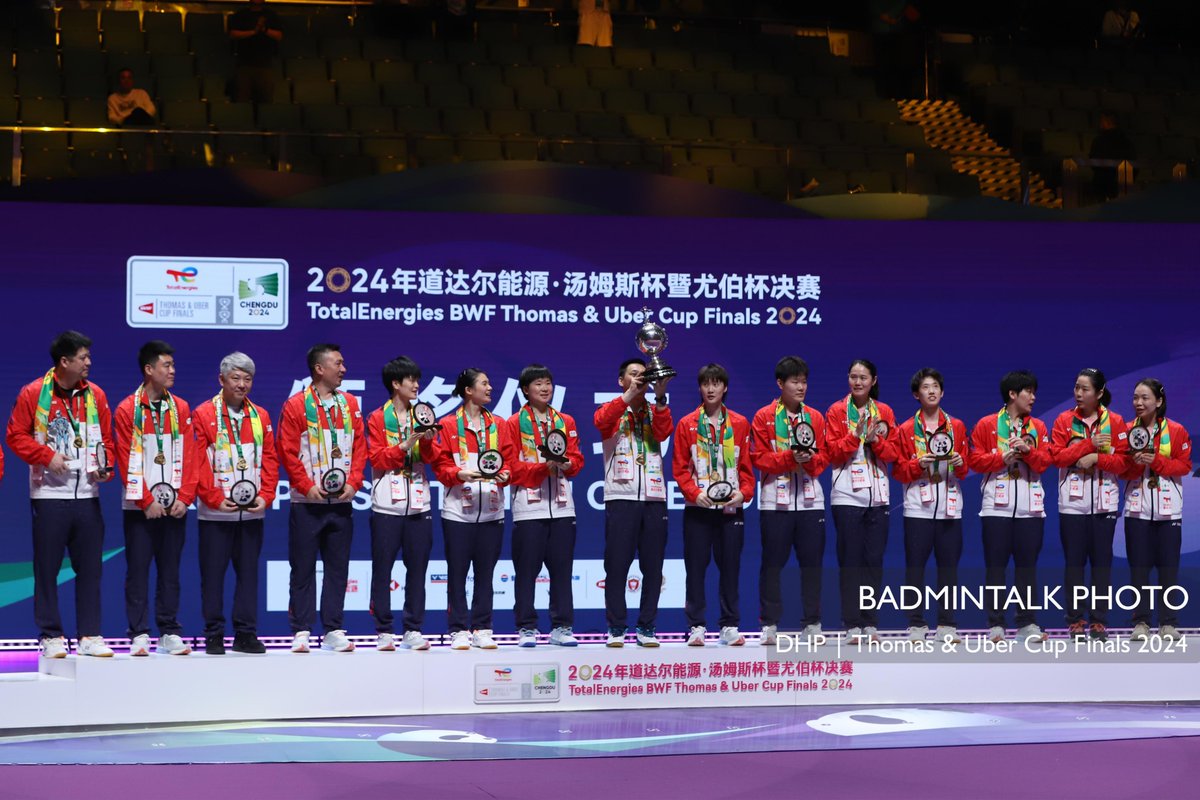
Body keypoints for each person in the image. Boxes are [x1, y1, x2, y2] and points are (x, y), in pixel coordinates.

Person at [6, 331, 116, 658]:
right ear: (64, 362)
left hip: (88, 495)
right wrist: (46, 456)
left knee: (90, 569)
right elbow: (15, 436)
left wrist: (105, 466)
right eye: (83, 358)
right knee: (47, 568)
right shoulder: (33, 393)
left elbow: (106, 441)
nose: (89, 363)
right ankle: (51, 635)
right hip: (48, 495)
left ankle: (89, 635)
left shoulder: (95, 394)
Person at [278, 344, 366, 654]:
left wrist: (355, 482)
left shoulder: (350, 404)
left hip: (341, 503)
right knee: (302, 568)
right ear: (319, 368)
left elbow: (360, 448)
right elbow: (287, 451)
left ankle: (333, 629)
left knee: (337, 568)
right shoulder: (296, 406)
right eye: (338, 364)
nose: (343, 369)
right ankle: (301, 629)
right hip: (307, 503)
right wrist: (304, 485)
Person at [114, 340, 198, 657]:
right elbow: (125, 458)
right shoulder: (127, 409)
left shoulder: (181, 408)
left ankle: (169, 631)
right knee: (137, 571)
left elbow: (191, 457)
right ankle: (138, 633)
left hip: (175, 505)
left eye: (173, 365)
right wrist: (145, 500)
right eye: (167, 365)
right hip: (140, 507)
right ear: (149, 370)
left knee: (170, 571)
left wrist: (185, 497)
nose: (173, 370)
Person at [193, 352, 278, 655]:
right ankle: (214, 634)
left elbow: (269, 459)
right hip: (215, 514)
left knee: (248, 576)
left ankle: (245, 633)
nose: (242, 384)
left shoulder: (261, 416)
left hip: (251, 514)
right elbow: (197, 463)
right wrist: (215, 498)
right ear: (222, 380)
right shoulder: (204, 414)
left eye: (248, 378)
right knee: (213, 578)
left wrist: (266, 496)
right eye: (236, 378)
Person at [431, 368, 519, 650]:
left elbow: (509, 461)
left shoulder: (500, 425)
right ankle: (458, 629)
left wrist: (506, 474)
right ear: (468, 390)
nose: (490, 388)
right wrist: (458, 474)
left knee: (486, 572)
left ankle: (482, 627)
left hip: (492, 510)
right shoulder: (447, 425)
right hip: (458, 511)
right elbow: (440, 466)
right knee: (457, 572)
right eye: (485, 383)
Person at [968, 371, 1053, 643]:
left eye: (1034, 392)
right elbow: (975, 461)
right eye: (1028, 391)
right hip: (996, 507)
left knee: (1027, 567)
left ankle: (1027, 622)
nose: (1033, 397)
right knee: (996, 567)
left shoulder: (1038, 427)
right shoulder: (987, 424)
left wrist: (1029, 453)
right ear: (1012, 394)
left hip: (1030, 508)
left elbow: (1045, 463)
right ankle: (996, 624)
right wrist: (1000, 459)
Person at [673, 364, 755, 647]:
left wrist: (743, 494)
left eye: (716, 383)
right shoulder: (687, 424)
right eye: (706, 384)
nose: (710, 389)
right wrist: (694, 493)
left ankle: (729, 626)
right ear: (700, 388)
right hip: (698, 508)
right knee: (695, 568)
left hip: (731, 509)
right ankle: (696, 625)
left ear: (725, 388)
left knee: (730, 567)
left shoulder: (740, 424)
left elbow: (747, 469)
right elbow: (680, 468)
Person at [595, 358, 674, 648]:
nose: (640, 378)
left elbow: (665, 432)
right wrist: (631, 394)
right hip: (621, 497)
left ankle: (647, 627)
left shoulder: (656, 412)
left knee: (653, 567)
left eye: (644, 375)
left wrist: (661, 396)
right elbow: (600, 423)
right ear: (621, 380)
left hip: (654, 498)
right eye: (634, 374)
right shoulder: (613, 410)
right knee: (617, 565)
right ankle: (616, 627)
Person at [750, 356, 829, 646]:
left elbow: (824, 460)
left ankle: (812, 622)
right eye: (795, 381)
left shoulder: (816, 418)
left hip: (810, 502)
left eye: (804, 381)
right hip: (775, 502)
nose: (801, 387)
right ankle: (770, 623)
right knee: (772, 564)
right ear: (780, 384)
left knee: (812, 564)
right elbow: (758, 458)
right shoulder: (764, 417)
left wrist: (809, 460)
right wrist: (788, 457)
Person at [507, 365, 585, 648]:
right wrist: (542, 468)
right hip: (529, 507)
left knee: (562, 570)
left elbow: (577, 460)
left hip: (563, 506)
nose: (545, 388)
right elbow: (511, 467)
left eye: (549, 383)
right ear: (526, 389)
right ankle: (527, 627)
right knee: (527, 571)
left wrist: (566, 464)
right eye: (538, 383)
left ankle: (562, 626)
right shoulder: (513, 423)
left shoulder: (565, 420)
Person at [1049, 368, 1128, 641]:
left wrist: (1097, 458)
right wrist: (1087, 445)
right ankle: (1076, 620)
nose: (1078, 393)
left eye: (1084, 389)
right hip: (1071, 504)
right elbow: (1057, 457)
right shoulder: (1063, 420)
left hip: (1105, 503)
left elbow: (1124, 463)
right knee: (1074, 564)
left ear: (1099, 393)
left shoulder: (1116, 422)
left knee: (1101, 564)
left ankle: (1098, 621)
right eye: (1076, 388)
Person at [892, 368, 969, 645]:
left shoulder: (956, 426)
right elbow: (899, 471)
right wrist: (917, 464)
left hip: (950, 506)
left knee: (948, 568)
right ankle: (916, 624)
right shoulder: (904, 429)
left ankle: (947, 624)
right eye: (926, 387)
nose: (932, 391)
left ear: (942, 391)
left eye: (936, 386)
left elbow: (967, 467)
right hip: (917, 509)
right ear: (917, 394)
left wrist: (961, 465)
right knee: (915, 568)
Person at [825, 358, 899, 645]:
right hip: (846, 496)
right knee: (850, 560)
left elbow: (893, 454)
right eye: (853, 376)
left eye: (863, 377)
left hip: (879, 497)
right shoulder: (835, 411)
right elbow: (831, 453)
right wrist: (854, 436)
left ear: (874, 381)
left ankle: (870, 622)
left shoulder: (884, 412)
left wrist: (875, 441)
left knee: (873, 561)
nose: (858, 382)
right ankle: (851, 623)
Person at [366, 356, 437, 652]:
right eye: (410, 379)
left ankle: (412, 629)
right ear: (396, 384)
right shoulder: (377, 418)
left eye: (417, 379)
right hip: (387, 507)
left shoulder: (423, 414)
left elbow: (433, 458)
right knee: (383, 569)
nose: (416, 384)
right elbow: (377, 458)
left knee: (417, 569)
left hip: (420, 504)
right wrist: (406, 444)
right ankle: (384, 630)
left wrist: (429, 441)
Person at [1121, 379, 1190, 641]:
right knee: (1139, 569)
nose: (1138, 403)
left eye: (1145, 398)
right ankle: (1140, 622)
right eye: (1135, 398)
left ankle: (1168, 623)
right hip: (1137, 508)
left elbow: (1183, 467)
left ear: (1159, 402)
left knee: (1168, 568)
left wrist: (1157, 461)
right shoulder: (1126, 430)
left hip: (1169, 509)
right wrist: (1136, 464)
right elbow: (1120, 470)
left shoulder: (1176, 430)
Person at [229, 0, 283, 103]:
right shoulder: (240, 14)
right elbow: (233, 34)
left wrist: (264, 29)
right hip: (244, 64)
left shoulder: (271, 15)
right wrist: (253, 32)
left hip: (265, 64)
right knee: (241, 100)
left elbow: (279, 36)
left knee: (266, 101)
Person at [1089, 112, 1137, 201]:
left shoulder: (1098, 141)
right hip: (1123, 186)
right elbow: (1134, 165)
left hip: (1102, 187)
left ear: (1106, 122)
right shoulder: (1127, 142)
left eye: (1102, 121)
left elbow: (1093, 163)